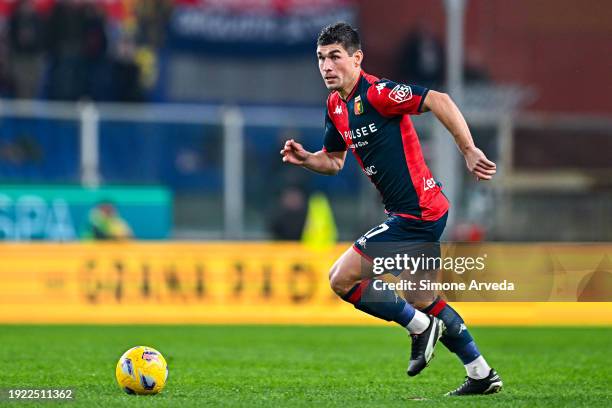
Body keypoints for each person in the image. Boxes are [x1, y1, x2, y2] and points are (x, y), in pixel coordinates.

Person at [280, 22, 501, 396]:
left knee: (341, 278)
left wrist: (468, 149)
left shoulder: (379, 92)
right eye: (321, 58)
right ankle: (481, 374)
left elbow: (439, 99)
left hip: (417, 213)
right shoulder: (336, 106)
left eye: (335, 56)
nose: (327, 66)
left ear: (357, 58)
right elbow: (334, 162)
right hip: (420, 212)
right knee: (424, 300)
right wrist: (306, 159)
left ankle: (418, 327)